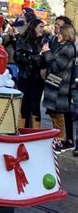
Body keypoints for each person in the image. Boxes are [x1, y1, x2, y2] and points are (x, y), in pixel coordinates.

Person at [41, 23, 76, 151]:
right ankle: (58, 138)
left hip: (59, 86)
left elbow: (56, 66)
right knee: (54, 114)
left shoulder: (68, 49)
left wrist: (47, 52)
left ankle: (61, 140)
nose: (57, 35)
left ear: (66, 34)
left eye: (59, 33)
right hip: (55, 84)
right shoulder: (64, 47)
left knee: (58, 114)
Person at [14, 18, 47, 128]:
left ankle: (35, 130)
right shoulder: (22, 39)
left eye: (43, 27)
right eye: (40, 27)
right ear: (34, 28)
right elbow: (18, 56)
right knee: (24, 105)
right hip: (25, 76)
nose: (42, 29)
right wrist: (36, 57)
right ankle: (22, 129)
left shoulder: (43, 41)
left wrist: (30, 57)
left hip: (37, 78)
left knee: (35, 105)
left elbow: (44, 60)